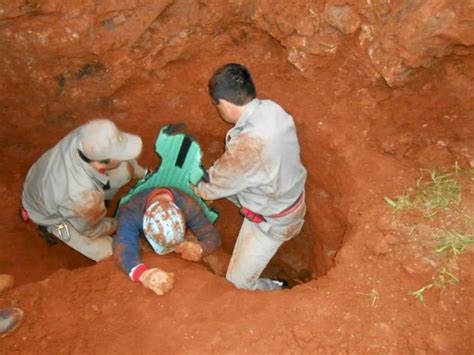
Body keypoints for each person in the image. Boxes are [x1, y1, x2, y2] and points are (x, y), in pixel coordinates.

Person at [193, 63, 307, 291]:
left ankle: (276, 288)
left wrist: (196, 191)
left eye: (217, 106)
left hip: (273, 220)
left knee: (236, 286)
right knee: (221, 184)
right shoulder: (271, 109)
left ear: (224, 104)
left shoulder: (247, 147)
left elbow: (208, 188)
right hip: (285, 193)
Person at [21, 119, 147, 261]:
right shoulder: (83, 197)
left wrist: (144, 174)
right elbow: (91, 230)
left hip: (41, 181)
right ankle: (46, 227)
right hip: (53, 218)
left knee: (123, 170)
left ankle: (99, 209)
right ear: (99, 164)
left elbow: (123, 158)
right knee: (111, 253)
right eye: (118, 155)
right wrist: (119, 222)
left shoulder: (88, 136)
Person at [113, 187, 222, 296]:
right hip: (142, 237)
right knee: (140, 245)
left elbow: (212, 235)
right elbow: (123, 246)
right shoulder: (130, 212)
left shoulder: (188, 206)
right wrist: (144, 274)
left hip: (182, 239)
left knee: (204, 250)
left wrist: (200, 248)